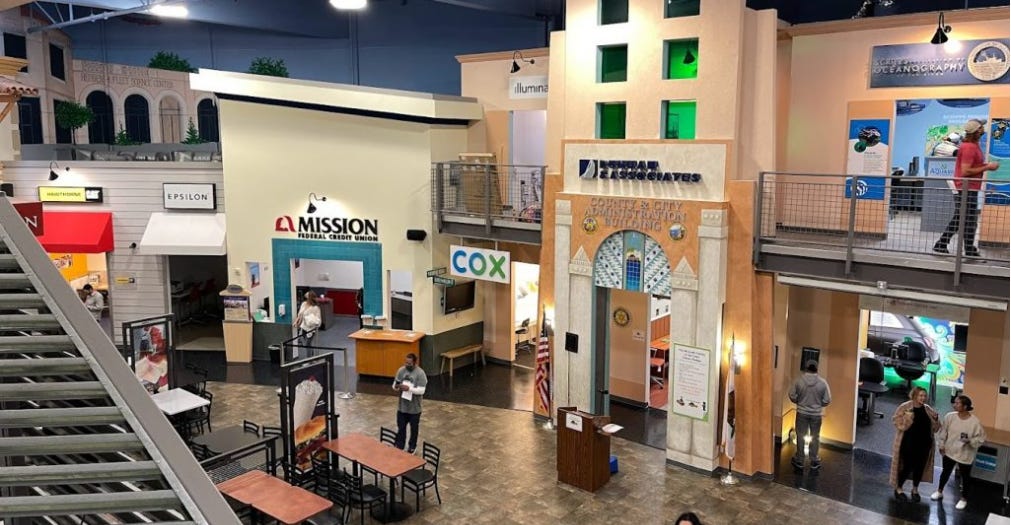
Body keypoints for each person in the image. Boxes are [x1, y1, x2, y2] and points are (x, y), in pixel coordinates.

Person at [934, 119, 1001, 257]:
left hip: (969, 187)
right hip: (966, 188)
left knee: (963, 218)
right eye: (981, 127)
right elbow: (965, 171)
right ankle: (965, 248)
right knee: (968, 219)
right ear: (976, 131)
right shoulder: (969, 147)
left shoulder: (972, 146)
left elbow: (972, 167)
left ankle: (945, 244)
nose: (983, 129)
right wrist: (987, 167)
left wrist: (985, 165)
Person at [932, 394, 987, 510]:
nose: (954, 405)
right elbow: (943, 432)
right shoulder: (950, 417)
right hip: (950, 451)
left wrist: (970, 441)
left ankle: (963, 499)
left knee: (965, 477)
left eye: (957, 403)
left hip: (965, 454)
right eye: (955, 402)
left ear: (965, 406)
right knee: (945, 472)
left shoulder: (974, 422)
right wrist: (941, 445)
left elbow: (981, 438)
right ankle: (939, 491)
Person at [890, 386, 941, 502]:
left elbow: (936, 428)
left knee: (920, 467)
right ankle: (899, 488)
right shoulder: (905, 407)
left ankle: (915, 489)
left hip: (924, 444)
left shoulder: (927, 409)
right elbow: (898, 423)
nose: (923, 398)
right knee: (907, 467)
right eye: (920, 395)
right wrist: (908, 418)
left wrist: (936, 420)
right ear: (914, 395)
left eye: (925, 396)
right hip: (909, 444)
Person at [789, 360, 832, 470]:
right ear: (816, 369)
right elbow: (827, 400)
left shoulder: (799, 381)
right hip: (816, 414)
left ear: (806, 368)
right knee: (815, 437)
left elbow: (792, 395)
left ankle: (800, 460)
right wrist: (819, 405)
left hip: (802, 412)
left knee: (800, 436)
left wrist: (798, 401)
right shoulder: (822, 382)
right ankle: (814, 460)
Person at [392, 353, 428, 453]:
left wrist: (409, 389)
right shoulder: (401, 370)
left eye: (409, 363)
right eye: (406, 363)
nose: (407, 365)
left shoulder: (420, 373)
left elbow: (422, 390)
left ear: (415, 363)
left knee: (414, 429)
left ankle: (412, 446)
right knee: (401, 428)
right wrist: (396, 386)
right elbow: (395, 384)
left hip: (414, 409)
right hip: (402, 407)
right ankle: (400, 445)